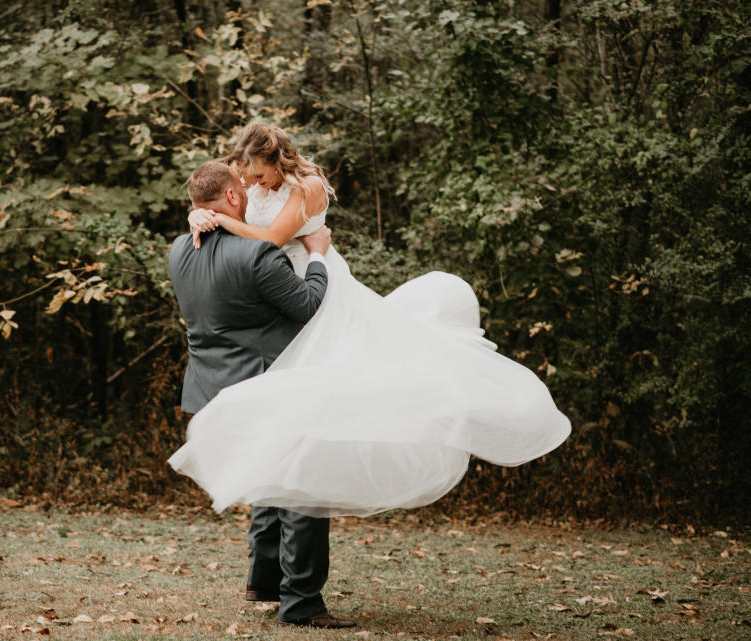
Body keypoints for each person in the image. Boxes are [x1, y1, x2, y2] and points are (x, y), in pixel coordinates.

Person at [168, 122, 572, 518]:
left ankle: (317, 494)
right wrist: (198, 216)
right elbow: (214, 190)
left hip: (316, 281)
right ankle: (288, 516)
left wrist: (220, 221)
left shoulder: (306, 188)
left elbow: (272, 239)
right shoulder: (250, 180)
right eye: (248, 175)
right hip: (277, 290)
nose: (256, 182)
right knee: (288, 412)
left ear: (277, 161)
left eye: (260, 173)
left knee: (340, 392)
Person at [168, 159, 355, 629]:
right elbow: (309, 304)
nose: (250, 192)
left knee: (269, 478)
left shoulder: (178, 250)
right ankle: (302, 602)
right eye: (243, 187)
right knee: (303, 486)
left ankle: (264, 580)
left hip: (213, 389)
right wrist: (317, 254)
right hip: (268, 381)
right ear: (231, 197)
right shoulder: (257, 255)